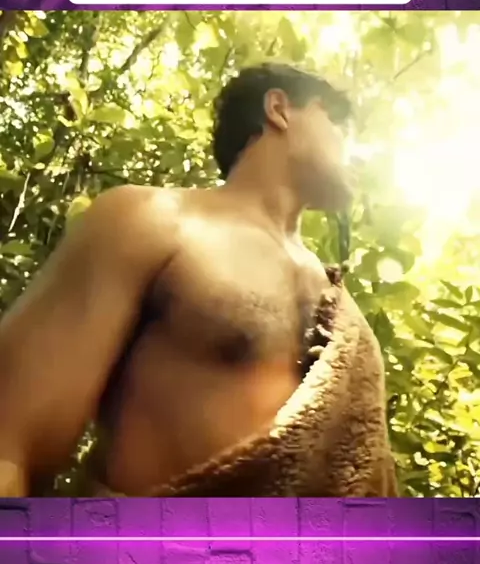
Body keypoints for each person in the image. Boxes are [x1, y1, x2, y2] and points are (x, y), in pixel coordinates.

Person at [0, 63, 397, 497]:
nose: (354, 149)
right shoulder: (151, 221)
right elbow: (12, 445)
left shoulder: (340, 309)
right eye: (337, 123)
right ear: (279, 109)